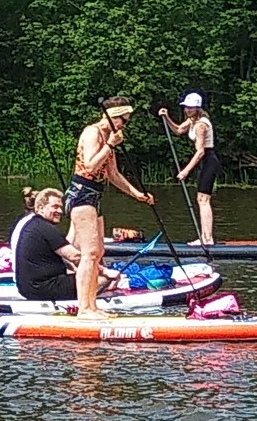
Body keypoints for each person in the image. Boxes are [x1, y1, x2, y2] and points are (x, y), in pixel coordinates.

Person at [69, 96, 159, 317]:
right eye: (123, 120)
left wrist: (138, 194)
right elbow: (90, 165)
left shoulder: (110, 137)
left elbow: (113, 174)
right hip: (81, 193)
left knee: (98, 252)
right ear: (112, 116)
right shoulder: (93, 133)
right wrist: (110, 145)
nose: (123, 125)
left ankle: (93, 305)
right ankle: (84, 308)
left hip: (96, 195)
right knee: (89, 253)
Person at [160, 93, 220, 245]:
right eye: (186, 107)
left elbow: (200, 152)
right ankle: (205, 237)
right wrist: (166, 117)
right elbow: (179, 130)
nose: (187, 110)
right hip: (204, 161)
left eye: (190, 108)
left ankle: (207, 239)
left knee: (203, 199)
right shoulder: (192, 121)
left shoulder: (201, 125)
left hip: (209, 160)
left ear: (197, 108)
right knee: (201, 199)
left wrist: (185, 171)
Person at [9, 185, 80, 302]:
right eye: (55, 207)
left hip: (26, 284)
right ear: (40, 207)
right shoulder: (44, 227)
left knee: (76, 273)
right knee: (96, 279)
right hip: (42, 286)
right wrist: (101, 271)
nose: (60, 211)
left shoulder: (30, 223)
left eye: (61, 208)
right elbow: (74, 256)